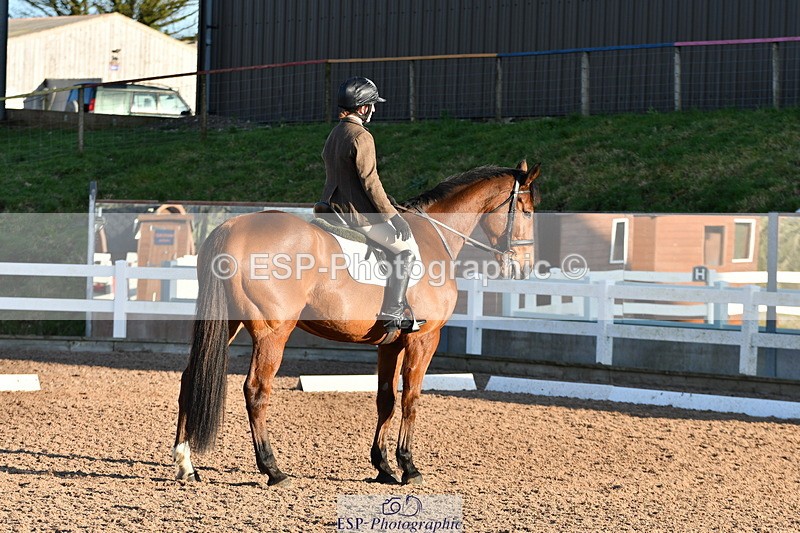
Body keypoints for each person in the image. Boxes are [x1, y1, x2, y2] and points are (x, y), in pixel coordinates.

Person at [320, 76, 424, 333]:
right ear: (363, 107)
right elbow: (370, 182)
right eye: (372, 105)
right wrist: (392, 216)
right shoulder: (361, 136)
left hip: (328, 207)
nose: (374, 110)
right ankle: (393, 312)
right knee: (405, 250)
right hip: (355, 215)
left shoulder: (335, 133)